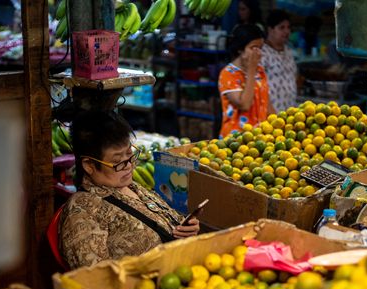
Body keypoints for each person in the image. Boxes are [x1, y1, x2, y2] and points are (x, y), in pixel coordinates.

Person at [58, 111, 200, 269]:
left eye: (130, 155)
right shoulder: (83, 212)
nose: (129, 166)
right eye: (117, 161)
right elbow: (95, 279)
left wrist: (186, 229)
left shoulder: (132, 187)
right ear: (89, 165)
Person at [218, 24, 275, 138]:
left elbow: (266, 104)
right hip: (236, 140)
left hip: (259, 138)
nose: (258, 53)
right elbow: (244, 104)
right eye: (253, 48)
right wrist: (252, 70)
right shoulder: (228, 74)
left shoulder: (260, 70)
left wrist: (279, 124)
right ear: (240, 49)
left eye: (260, 48)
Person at [261, 10, 298, 113]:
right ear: (270, 30)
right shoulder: (261, 53)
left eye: (288, 27)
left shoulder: (289, 51)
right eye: (281, 28)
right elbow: (258, 87)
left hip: (289, 112)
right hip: (270, 115)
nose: (287, 31)